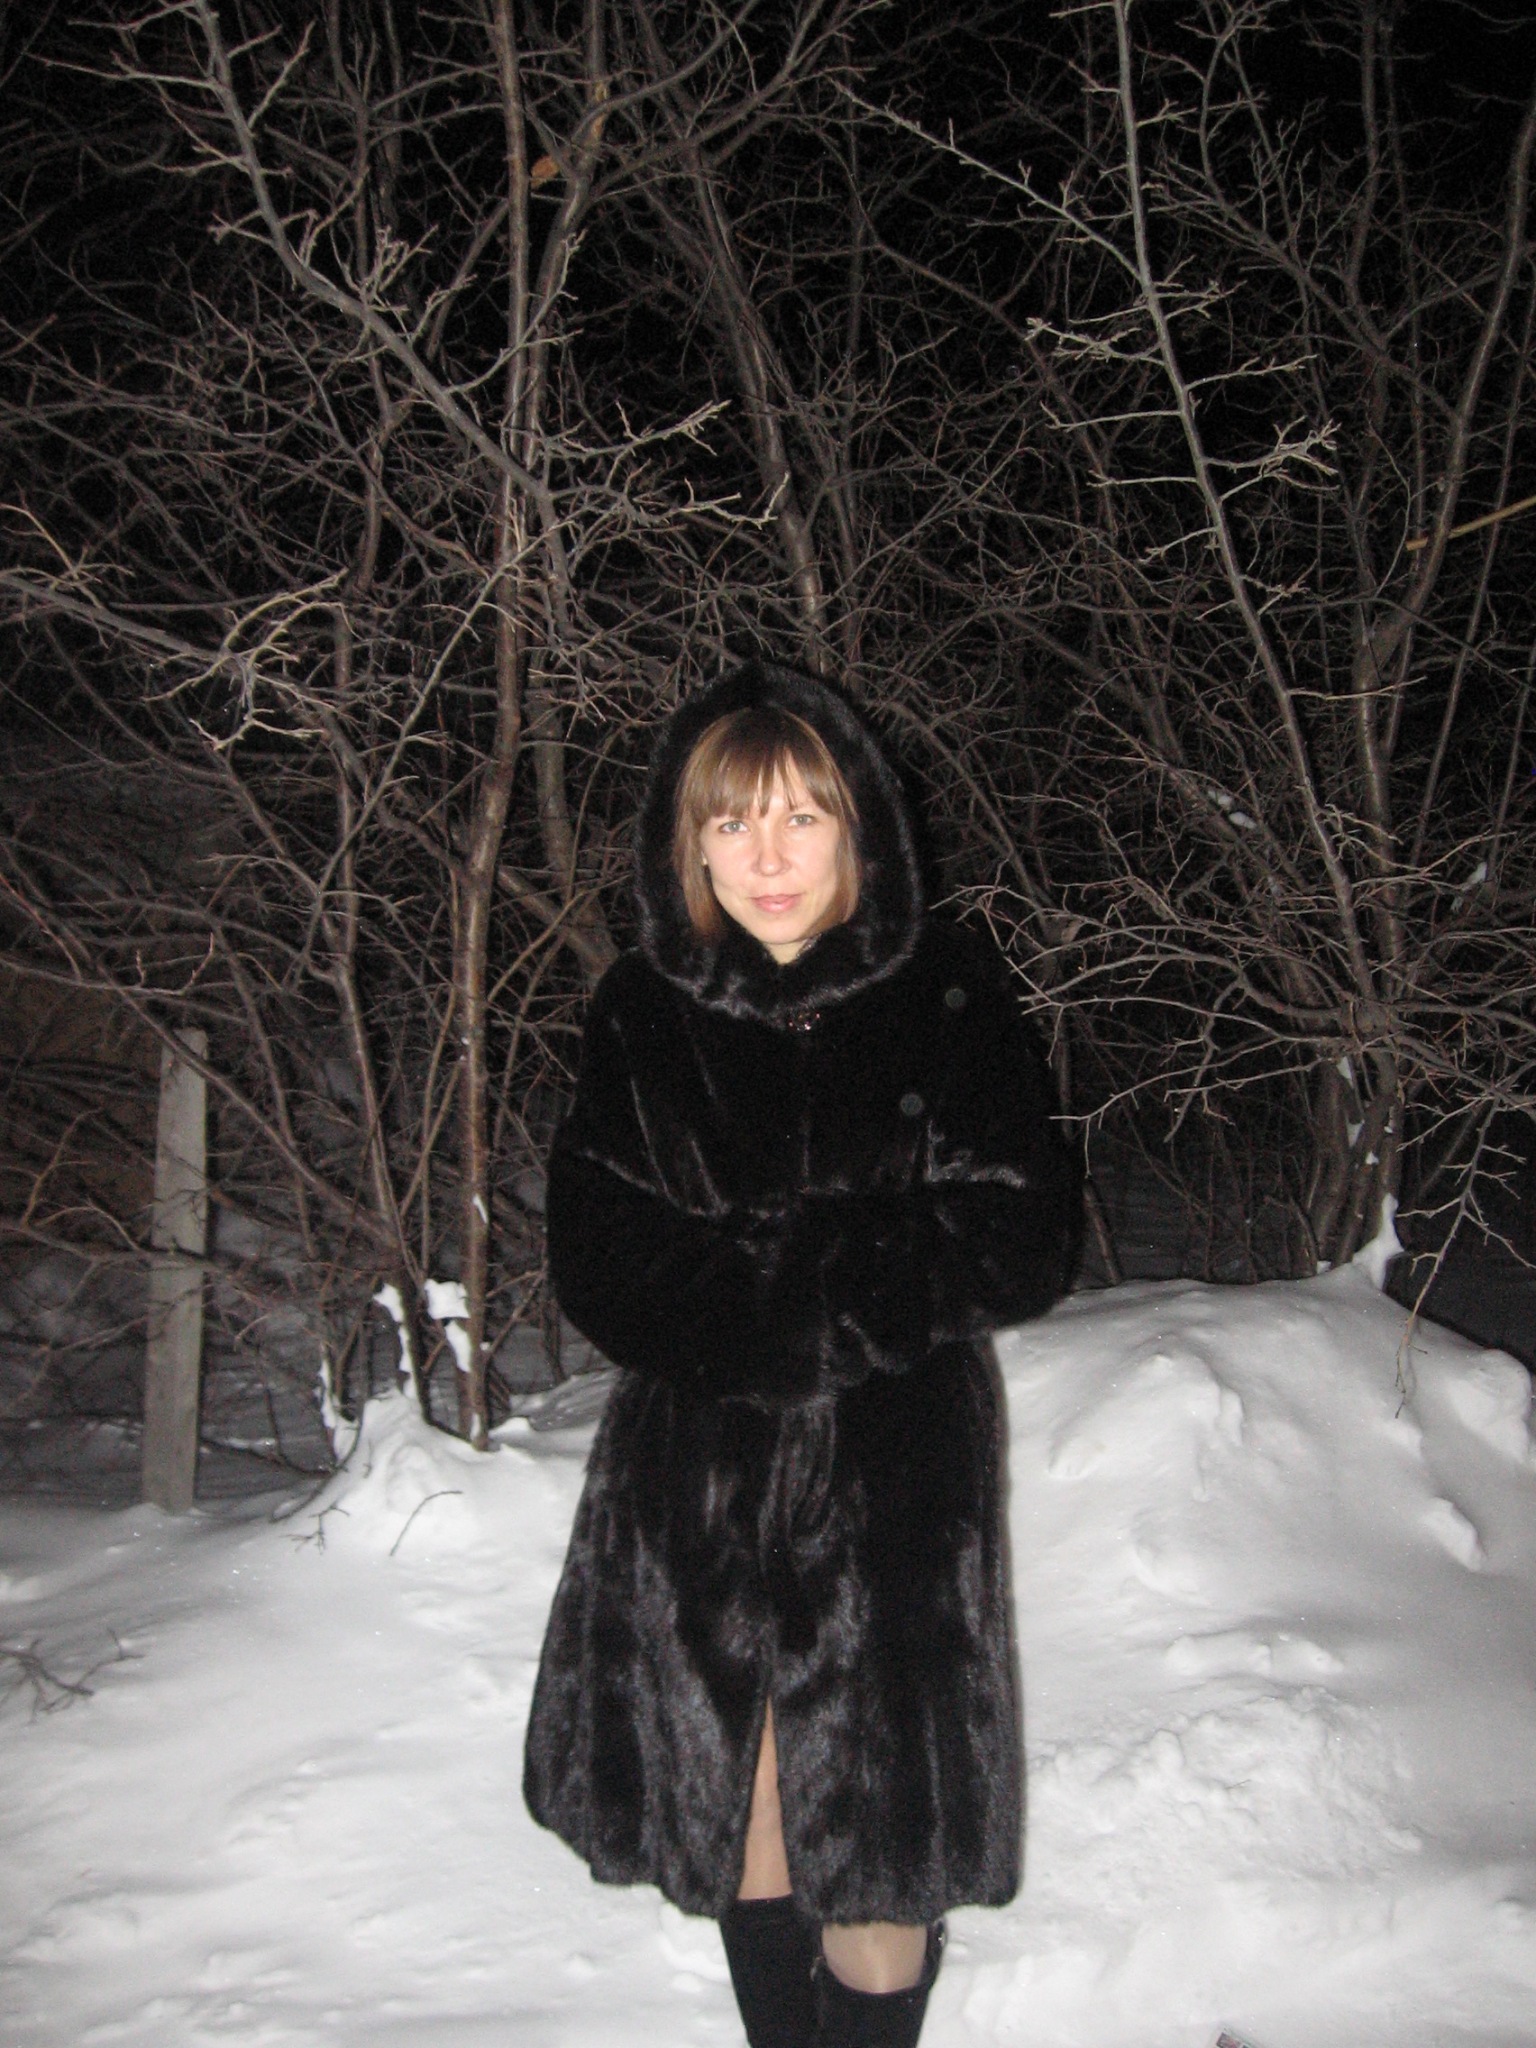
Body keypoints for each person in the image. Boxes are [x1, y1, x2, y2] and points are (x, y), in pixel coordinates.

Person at [524, 662, 1080, 2048]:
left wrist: (809, 1300)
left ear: (857, 832)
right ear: (691, 847)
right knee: (747, 1813)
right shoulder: (642, 1013)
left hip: (897, 1477)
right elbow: (599, 1251)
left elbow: (1019, 1233)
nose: (767, 858)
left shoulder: (944, 996)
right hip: (695, 1481)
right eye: (732, 823)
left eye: (801, 818)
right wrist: (787, 1305)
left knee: (880, 1846)